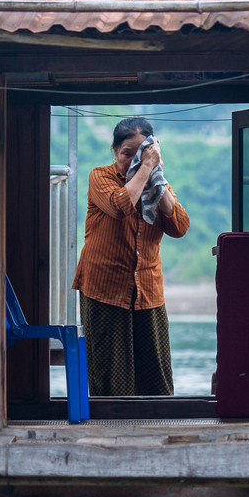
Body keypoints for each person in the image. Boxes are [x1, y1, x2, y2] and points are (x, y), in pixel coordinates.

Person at [71, 117, 190, 396]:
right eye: (127, 154)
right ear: (114, 152)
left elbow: (180, 227)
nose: (132, 161)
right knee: (110, 376)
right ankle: (109, 430)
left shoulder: (157, 186)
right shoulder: (100, 176)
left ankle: (155, 427)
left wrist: (156, 179)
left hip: (147, 291)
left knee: (156, 375)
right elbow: (121, 205)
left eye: (141, 154)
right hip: (104, 289)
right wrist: (146, 166)